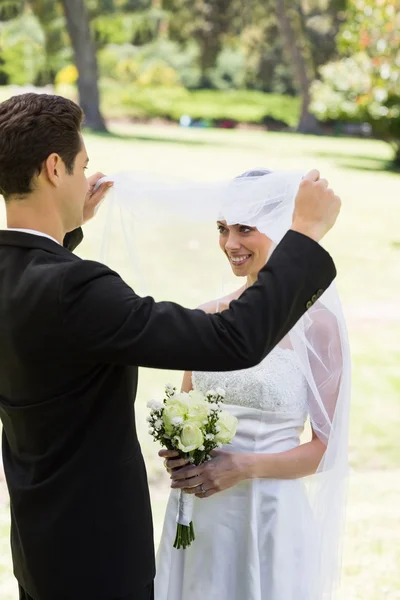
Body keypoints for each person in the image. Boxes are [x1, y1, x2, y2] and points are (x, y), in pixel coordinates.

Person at [0, 94, 339, 600]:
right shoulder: (77, 289)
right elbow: (231, 340)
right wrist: (306, 234)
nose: (86, 177)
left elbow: (37, 296)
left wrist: (64, 232)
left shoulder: (18, 276)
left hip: (40, 547)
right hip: (98, 557)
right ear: (54, 168)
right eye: (82, 166)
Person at [156, 169, 350, 600]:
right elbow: (181, 408)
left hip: (268, 515)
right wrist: (177, 452)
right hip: (198, 513)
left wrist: (242, 467)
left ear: (284, 229)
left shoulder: (318, 325)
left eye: (246, 229)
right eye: (224, 229)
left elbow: (327, 448)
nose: (230, 244)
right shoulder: (207, 316)